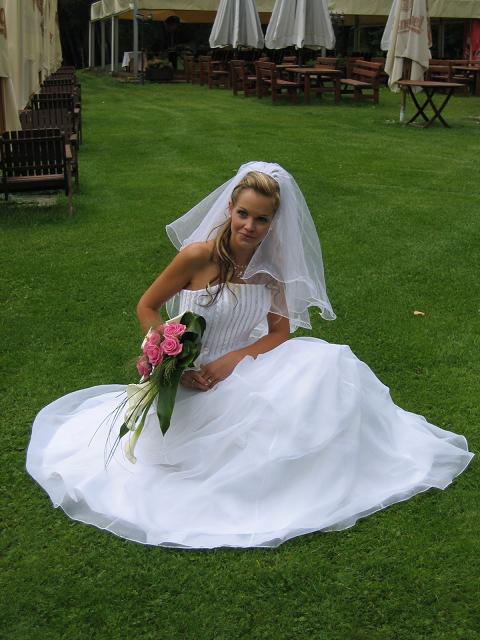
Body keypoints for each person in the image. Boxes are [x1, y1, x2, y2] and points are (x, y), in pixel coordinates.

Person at [26, 161, 473, 549]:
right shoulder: (198, 257)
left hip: (243, 366)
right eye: (243, 214)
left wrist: (234, 360)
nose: (249, 226)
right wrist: (172, 358)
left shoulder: (272, 272)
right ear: (229, 209)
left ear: (274, 222)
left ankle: (325, 470)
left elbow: (280, 333)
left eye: (262, 219)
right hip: (189, 374)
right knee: (184, 459)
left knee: (327, 368)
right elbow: (147, 307)